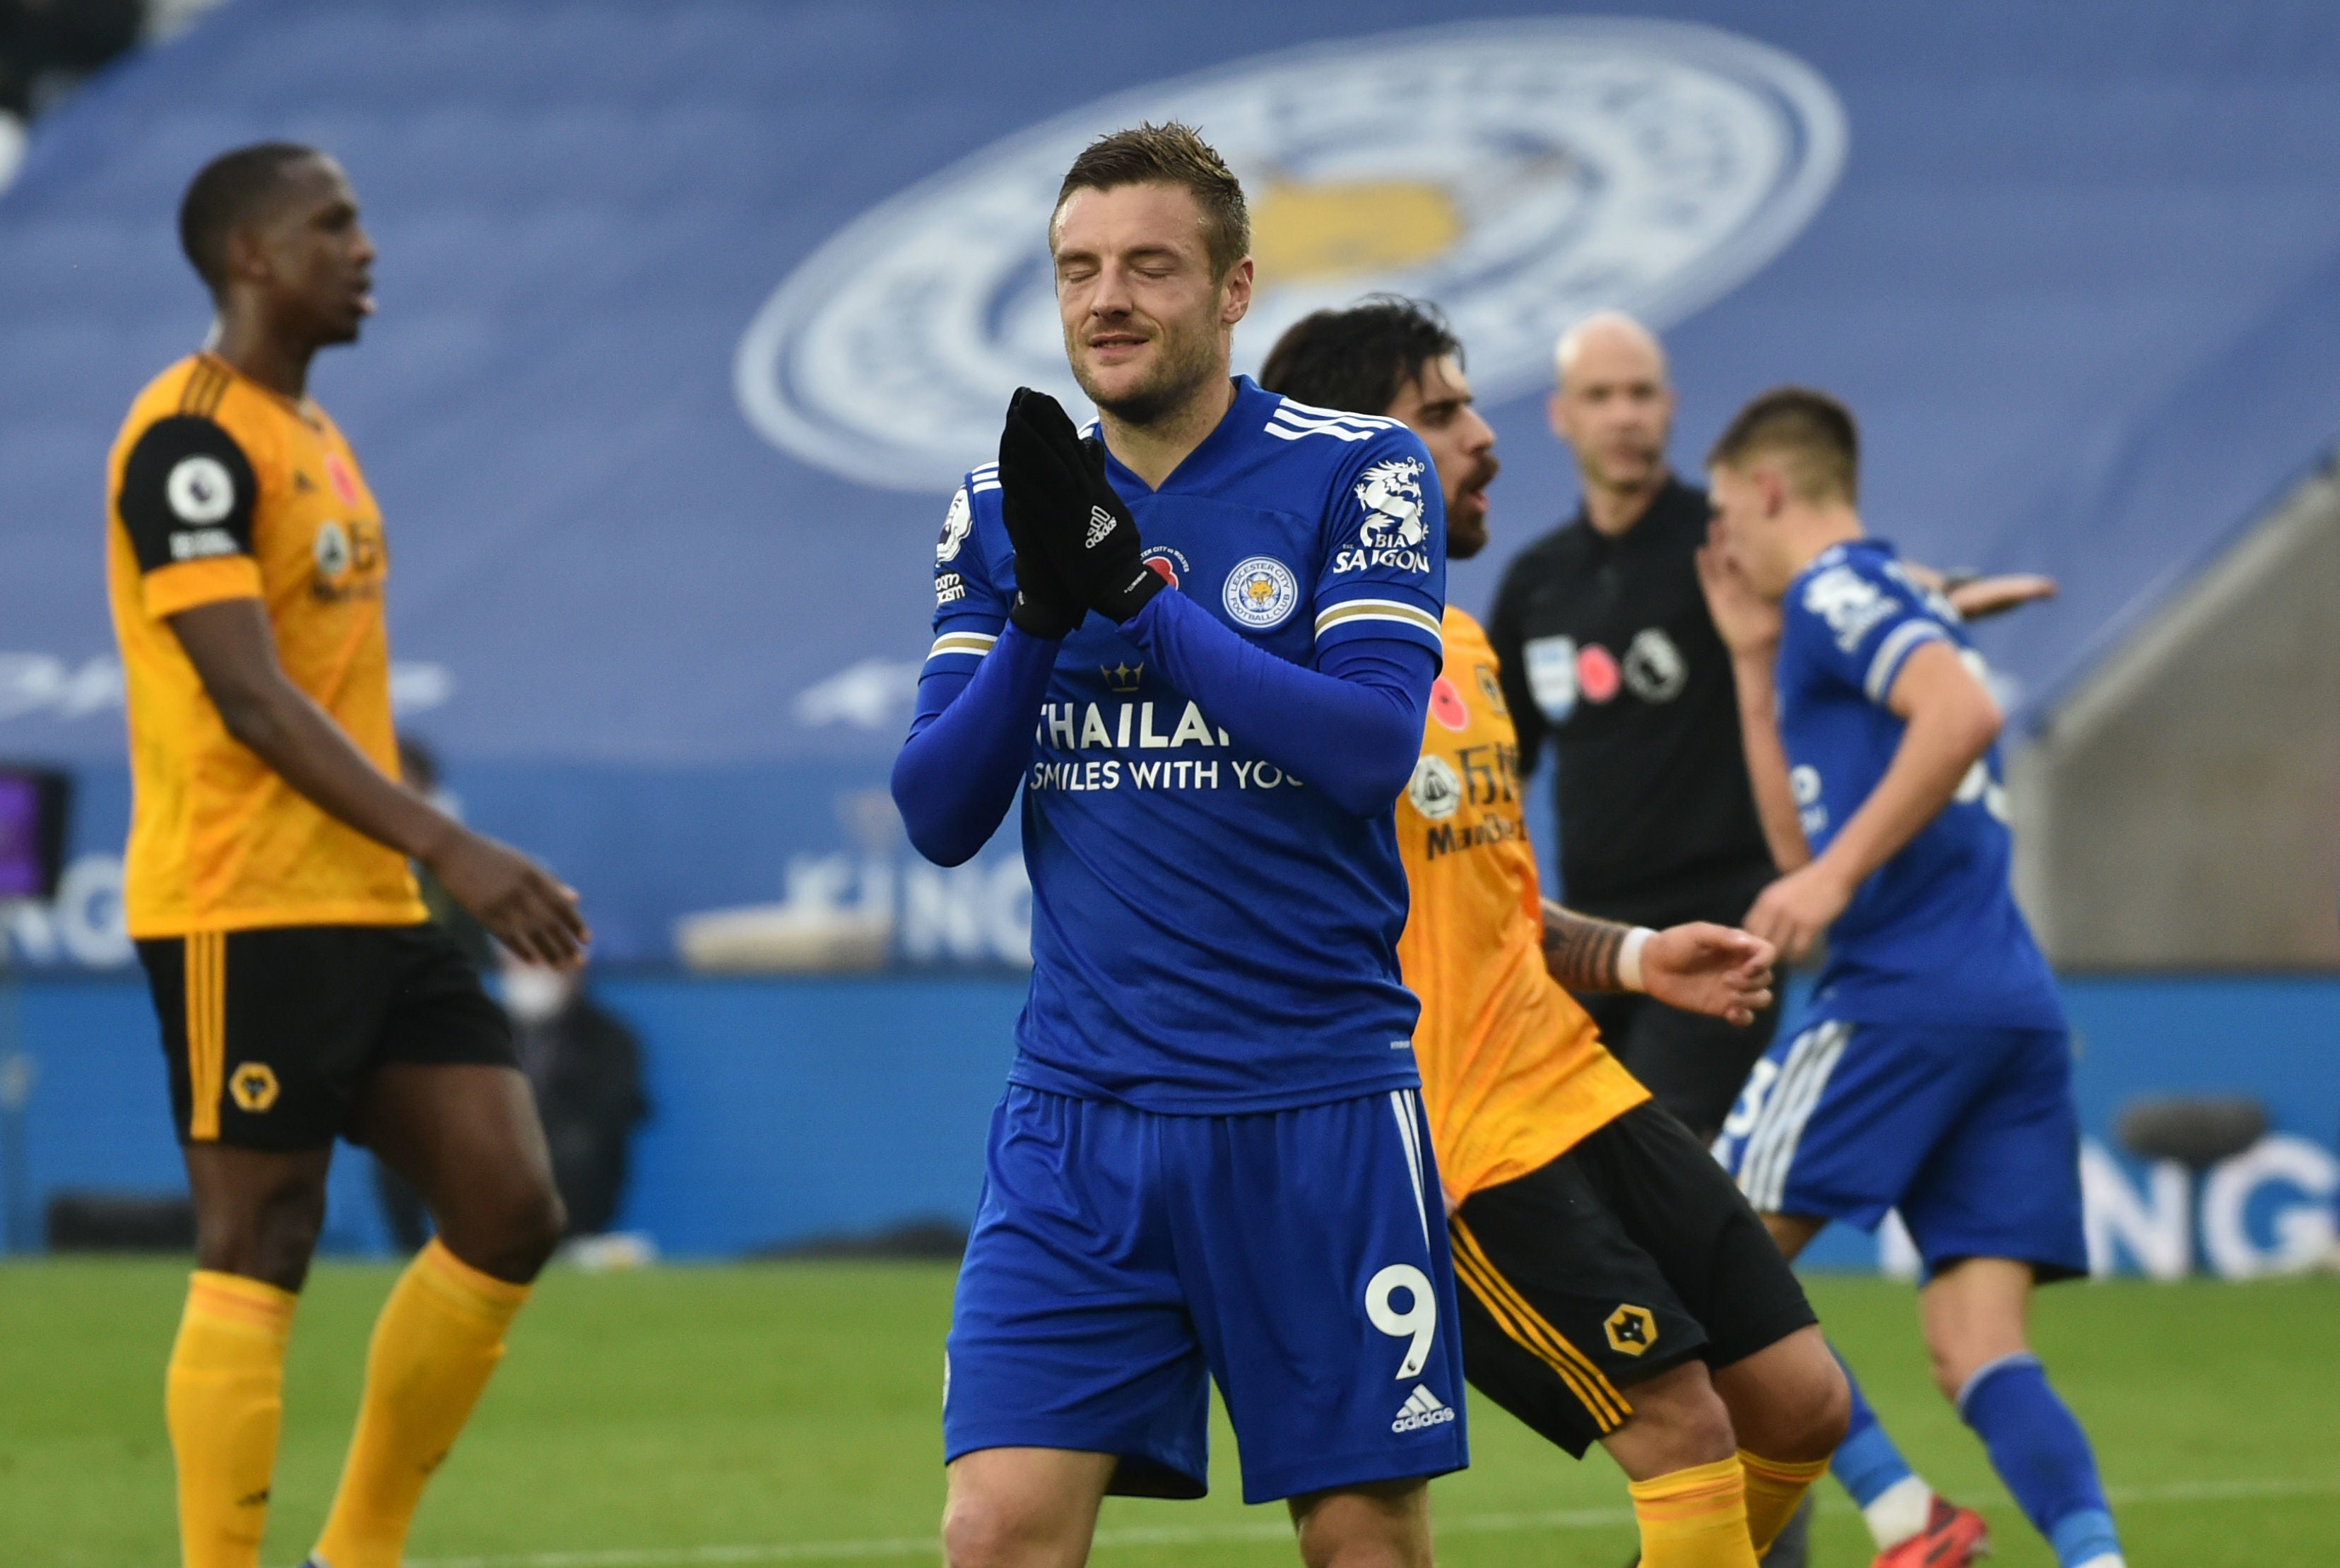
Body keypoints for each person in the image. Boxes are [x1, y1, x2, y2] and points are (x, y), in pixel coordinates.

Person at [892, 123, 1464, 1568]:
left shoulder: (1363, 474)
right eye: (1079, 269)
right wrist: (1039, 611)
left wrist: (1142, 607)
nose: (1109, 299)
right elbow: (939, 813)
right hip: (1079, 1121)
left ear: (1236, 289)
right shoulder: (1000, 506)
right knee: (995, 1530)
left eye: (1151, 265)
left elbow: (1365, 749)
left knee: (1363, 1546)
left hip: (1315, 1106)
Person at [1260, 297, 1847, 1568]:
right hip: (1455, 1145)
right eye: (1443, 413)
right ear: (1354, 457)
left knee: (1804, 1402)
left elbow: (1501, 904)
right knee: (1680, 1427)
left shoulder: (1461, 641)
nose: (1486, 437)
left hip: (1574, 1082)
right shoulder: (1288, 667)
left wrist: (1638, 957)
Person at [106, 142, 589, 1568]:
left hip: (367, 899)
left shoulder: (310, 433)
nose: (364, 247)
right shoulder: (187, 441)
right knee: (263, 1237)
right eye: (333, 224)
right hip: (236, 900)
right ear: (252, 255)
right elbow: (249, 696)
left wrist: (419, 866)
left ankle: (355, 1554)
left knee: (510, 1207)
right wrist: (456, 847)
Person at [1698, 388, 2125, 1568]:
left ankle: (1901, 1512)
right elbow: (1798, 846)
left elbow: (1963, 708)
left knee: (1697, 1256)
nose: (1718, 537)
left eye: (1724, 507)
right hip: (2008, 1009)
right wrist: (1746, 662)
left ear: (1769, 490)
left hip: (1899, 1000)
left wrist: (1834, 884)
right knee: (1977, 1347)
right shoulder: (1831, 619)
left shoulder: (1838, 589)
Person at [1487, 314, 2055, 1146]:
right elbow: (1505, 763)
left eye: (1641, 393)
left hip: (1721, 921)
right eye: (1600, 396)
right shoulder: (1537, 581)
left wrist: (1937, 594)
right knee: (1560, 1181)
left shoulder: (1723, 543)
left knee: (1668, 1166)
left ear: (1671, 407)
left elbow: (1839, 588)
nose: (1624, 416)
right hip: (1592, 936)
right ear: (1560, 414)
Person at [501, 951, 649, 1238]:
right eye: (522, 964)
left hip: (564, 1150)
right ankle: (413, 1248)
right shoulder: (483, 1028)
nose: (533, 975)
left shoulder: (609, 1035)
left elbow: (611, 1106)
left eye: (544, 963)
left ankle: (570, 1241)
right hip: (494, 1145)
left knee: (577, 1148)